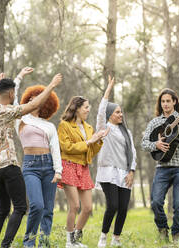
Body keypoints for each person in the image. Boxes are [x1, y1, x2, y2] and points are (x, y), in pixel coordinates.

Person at [0, 70, 62, 248]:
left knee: (3, 208)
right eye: (13, 93)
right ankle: (6, 245)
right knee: (20, 208)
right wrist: (52, 85)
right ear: (11, 94)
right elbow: (33, 106)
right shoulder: (9, 111)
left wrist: (0, 84)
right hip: (9, 166)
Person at [12, 67, 63, 247]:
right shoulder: (20, 117)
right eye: (33, 97)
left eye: (40, 98)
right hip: (30, 166)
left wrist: (58, 171)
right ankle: (29, 243)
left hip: (49, 166)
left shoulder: (48, 126)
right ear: (29, 99)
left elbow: (55, 149)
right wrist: (19, 76)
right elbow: (13, 96)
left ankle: (44, 243)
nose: (36, 100)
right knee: (37, 206)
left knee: (48, 210)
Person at [141, 88, 179, 243]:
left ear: (174, 102)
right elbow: (144, 143)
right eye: (163, 101)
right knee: (156, 202)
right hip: (162, 167)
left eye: (168, 101)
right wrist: (156, 145)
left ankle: (176, 234)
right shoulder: (155, 122)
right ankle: (162, 229)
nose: (165, 104)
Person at [57, 96, 109, 248]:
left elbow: (90, 152)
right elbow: (66, 148)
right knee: (74, 206)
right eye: (86, 107)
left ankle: (76, 239)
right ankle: (69, 242)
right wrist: (88, 142)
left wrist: (98, 140)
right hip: (68, 165)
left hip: (83, 167)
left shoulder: (89, 127)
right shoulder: (64, 125)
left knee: (87, 208)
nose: (88, 109)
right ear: (77, 108)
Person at [95, 76, 137, 247]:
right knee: (112, 205)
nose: (121, 114)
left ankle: (116, 238)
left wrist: (131, 172)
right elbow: (100, 112)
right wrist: (108, 89)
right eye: (117, 112)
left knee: (123, 208)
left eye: (121, 112)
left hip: (124, 172)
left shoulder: (127, 132)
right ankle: (103, 236)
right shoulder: (104, 129)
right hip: (108, 172)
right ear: (109, 115)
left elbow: (133, 152)